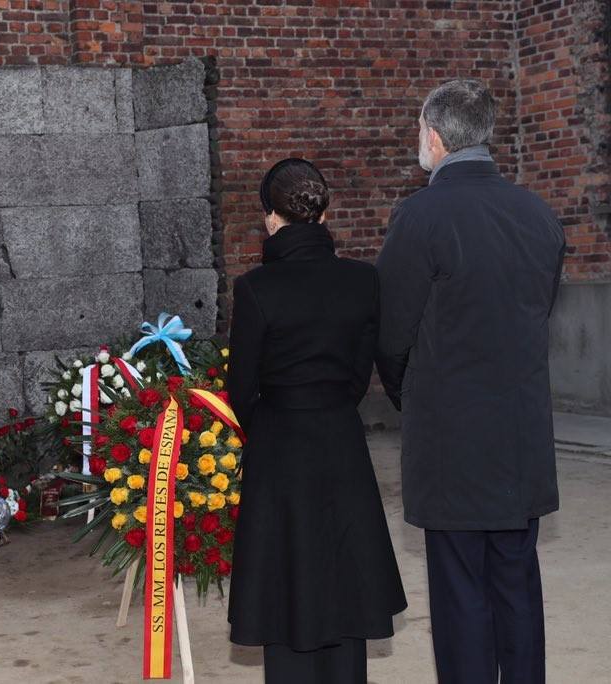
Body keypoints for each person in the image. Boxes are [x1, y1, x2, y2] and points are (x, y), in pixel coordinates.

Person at [375, 79, 566, 684]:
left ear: (434, 135)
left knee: (459, 591)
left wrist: (414, 399)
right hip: (519, 434)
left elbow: (391, 331)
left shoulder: (420, 215)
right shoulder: (539, 215)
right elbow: (539, 313)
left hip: (451, 438)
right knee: (517, 581)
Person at [227, 158, 407, 684]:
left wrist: (273, 419)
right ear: (325, 215)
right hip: (340, 441)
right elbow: (359, 376)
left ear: (271, 219)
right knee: (344, 578)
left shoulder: (256, 288)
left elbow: (240, 390)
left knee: (285, 583)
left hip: (279, 446)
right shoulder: (362, 281)